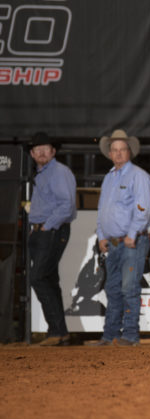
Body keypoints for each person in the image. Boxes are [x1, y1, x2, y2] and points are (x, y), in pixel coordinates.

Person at [94, 130, 150, 346]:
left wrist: (131, 233)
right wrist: (101, 235)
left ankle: (129, 334)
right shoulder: (109, 178)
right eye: (115, 150)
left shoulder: (138, 176)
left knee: (128, 287)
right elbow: (102, 210)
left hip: (131, 241)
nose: (118, 154)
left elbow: (143, 209)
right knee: (113, 288)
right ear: (110, 153)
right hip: (114, 242)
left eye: (122, 150)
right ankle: (111, 335)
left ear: (129, 152)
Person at [27, 132, 77, 346]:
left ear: (53, 151)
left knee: (38, 277)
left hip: (51, 230)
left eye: (45, 149)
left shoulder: (58, 171)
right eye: (37, 149)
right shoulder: (42, 174)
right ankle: (60, 331)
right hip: (42, 230)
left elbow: (66, 204)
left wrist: (47, 226)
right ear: (31, 153)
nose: (41, 152)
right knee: (48, 279)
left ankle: (56, 330)